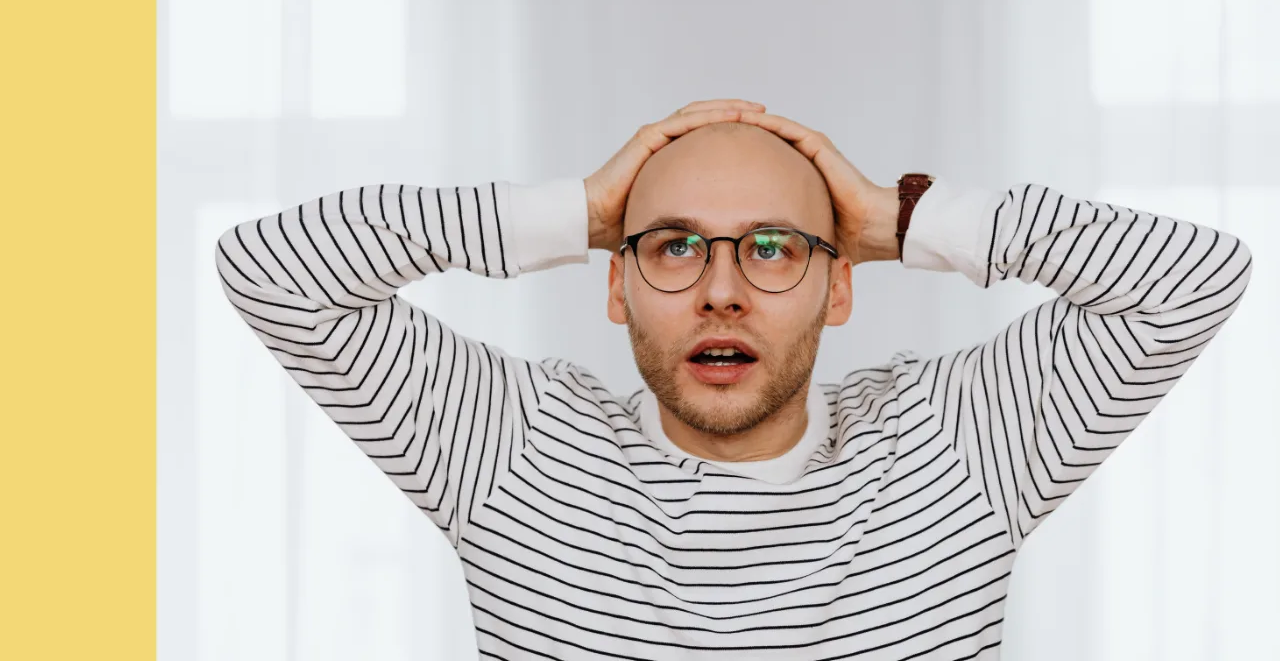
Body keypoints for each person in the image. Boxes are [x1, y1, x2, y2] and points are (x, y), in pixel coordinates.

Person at [214, 99, 1253, 660]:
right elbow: (268, 269)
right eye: (671, 248)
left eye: (770, 248)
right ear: (614, 289)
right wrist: (576, 211)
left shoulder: (956, 440)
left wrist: (898, 218)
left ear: (837, 288)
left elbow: (1195, 278)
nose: (720, 291)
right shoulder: (515, 447)